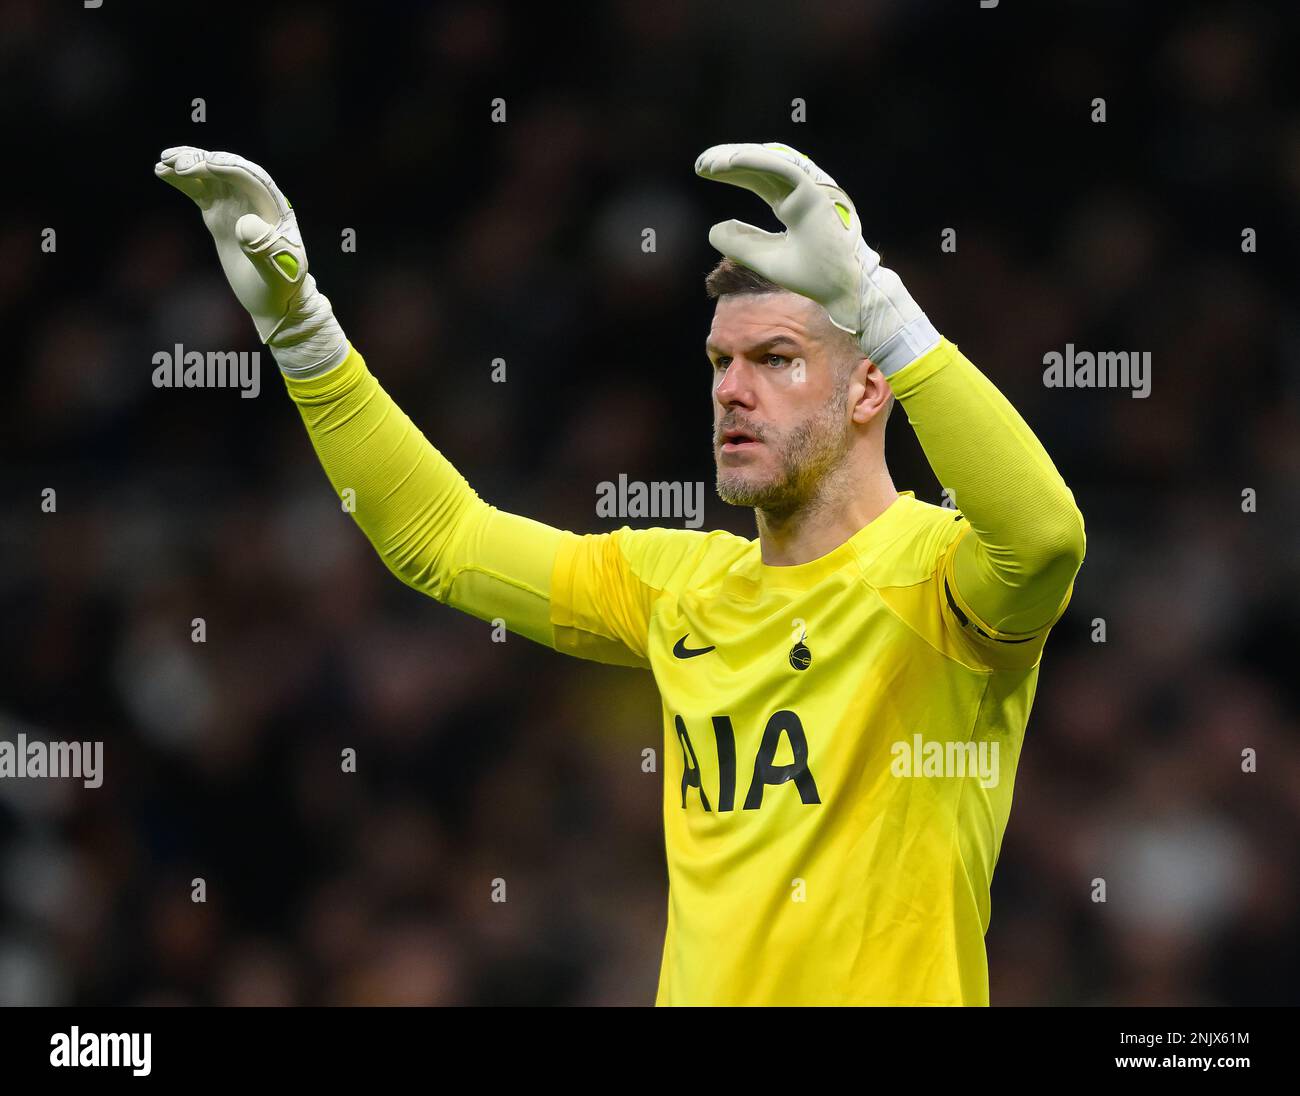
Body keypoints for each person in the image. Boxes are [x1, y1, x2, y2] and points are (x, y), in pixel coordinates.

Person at [157, 141, 1086, 1006]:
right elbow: (440, 539)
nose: (731, 387)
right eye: (721, 360)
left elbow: (1045, 537)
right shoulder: (677, 583)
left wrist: (882, 305)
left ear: (869, 385)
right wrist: (298, 329)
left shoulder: (940, 578)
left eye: (775, 359)